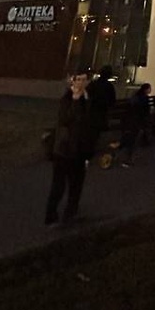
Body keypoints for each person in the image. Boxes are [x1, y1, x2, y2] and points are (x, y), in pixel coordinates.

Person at [45, 71, 97, 224]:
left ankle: (71, 212)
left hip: (80, 150)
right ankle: (51, 215)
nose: (81, 83)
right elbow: (65, 120)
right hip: (64, 150)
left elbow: (89, 123)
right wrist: (75, 100)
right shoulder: (67, 99)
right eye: (78, 79)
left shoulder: (88, 99)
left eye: (84, 80)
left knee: (76, 185)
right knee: (58, 185)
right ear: (72, 81)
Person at [118, 83, 152, 166]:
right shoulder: (144, 99)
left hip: (130, 121)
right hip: (137, 122)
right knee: (133, 140)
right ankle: (127, 158)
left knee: (130, 139)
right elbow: (145, 111)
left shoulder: (135, 98)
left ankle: (125, 156)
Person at [87, 69, 117, 135]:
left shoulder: (93, 84)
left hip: (92, 110)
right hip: (102, 110)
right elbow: (112, 100)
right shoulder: (109, 86)